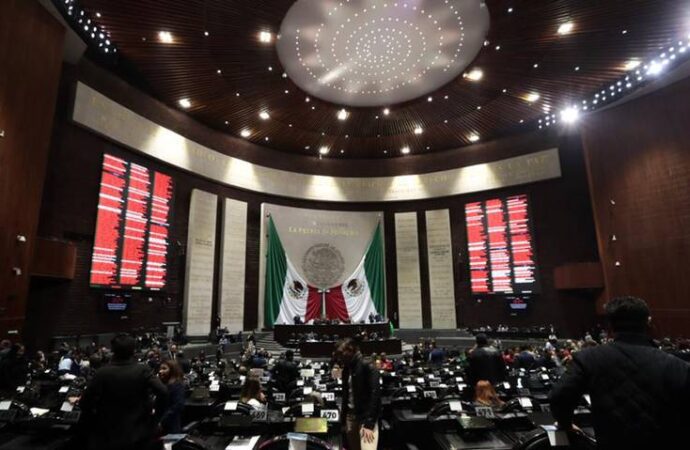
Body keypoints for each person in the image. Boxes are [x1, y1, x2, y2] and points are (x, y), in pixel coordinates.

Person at [550, 296, 690, 450]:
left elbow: (559, 396)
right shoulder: (678, 365)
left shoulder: (588, 358)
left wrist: (566, 424)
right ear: (648, 323)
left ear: (609, 326)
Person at [79, 333, 168, 450]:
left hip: (109, 433)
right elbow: (163, 392)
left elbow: (85, 402)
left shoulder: (102, 373)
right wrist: (155, 418)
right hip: (139, 433)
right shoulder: (142, 369)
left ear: (113, 351)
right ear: (133, 351)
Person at [336, 338, 381, 450]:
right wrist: (343, 421)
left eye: (341, 353)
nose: (339, 357)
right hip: (350, 418)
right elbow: (346, 395)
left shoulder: (368, 365)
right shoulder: (346, 369)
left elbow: (375, 395)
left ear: (351, 350)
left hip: (366, 418)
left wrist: (369, 424)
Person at [157, 359, 186, 434]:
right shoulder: (162, 385)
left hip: (171, 426)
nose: (160, 371)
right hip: (159, 425)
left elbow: (178, 406)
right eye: (160, 369)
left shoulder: (177, 385)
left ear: (172, 370)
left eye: (164, 368)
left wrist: (162, 421)